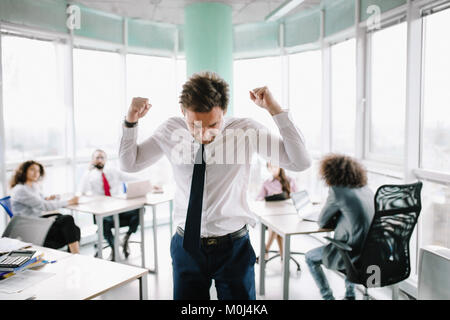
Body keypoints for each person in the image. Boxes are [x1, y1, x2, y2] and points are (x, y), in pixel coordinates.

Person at [119, 71, 311, 300]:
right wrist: (131, 121)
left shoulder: (245, 130)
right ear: (183, 112)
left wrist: (275, 110)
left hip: (234, 248)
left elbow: (300, 161)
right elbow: (129, 164)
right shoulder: (171, 130)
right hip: (186, 247)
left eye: (213, 124)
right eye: (194, 125)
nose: (203, 133)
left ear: (224, 111)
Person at [305, 154, 375, 300]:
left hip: (351, 252)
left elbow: (322, 222)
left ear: (330, 174)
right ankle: (350, 294)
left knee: (310, 257)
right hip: (373, 251)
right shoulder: (366, 189)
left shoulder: (337, 191)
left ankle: (328, 297)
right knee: (349, 247)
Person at [78, 149, 145, 260]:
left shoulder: (113, 171)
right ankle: (114, 248)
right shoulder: (89, 175)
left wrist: (150, 183)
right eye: (97, 158)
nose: (100, 160)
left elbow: (131, 178)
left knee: (140, 210)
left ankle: (126, 237)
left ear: (106, 159)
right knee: (104, 221)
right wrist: (87, 171)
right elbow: (81, 190)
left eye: (102, 158)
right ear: (92, 160)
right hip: (104, 212)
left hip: (119, 209)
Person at [9, 160, 81, 253]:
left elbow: (40, 201)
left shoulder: (33, 186)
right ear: (24, 171)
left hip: (37, 220)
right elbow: (43, 206)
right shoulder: (20, 189)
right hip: (28, 226)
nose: (36, 173)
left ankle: (73, 257)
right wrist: (69, 202)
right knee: (67, 219)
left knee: (74, 228)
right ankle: (76, 255)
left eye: (38, 171)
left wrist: (48, 198)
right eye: (32, 170)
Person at [257, 162, 298, 260]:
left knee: (275, 226)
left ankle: (265, 250)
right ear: (268, 169)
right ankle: (283, 255)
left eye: (275, 166)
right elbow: (258, 198)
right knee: (275, 225)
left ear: (280, 166)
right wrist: (270, 196)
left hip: (289, 215)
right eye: (270, 167)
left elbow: (298, 196)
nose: (273, 169)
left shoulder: (290, 180)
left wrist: (288, 195)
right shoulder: (266, 183)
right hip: (273, 215)